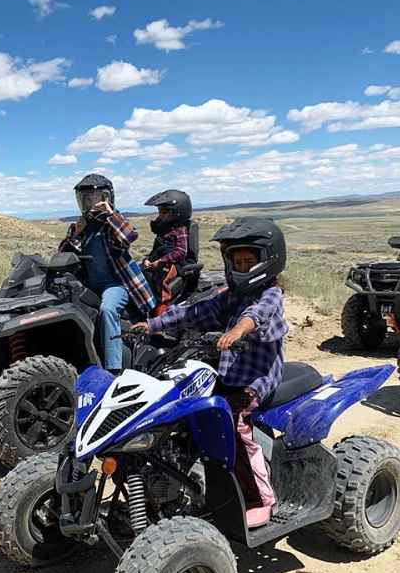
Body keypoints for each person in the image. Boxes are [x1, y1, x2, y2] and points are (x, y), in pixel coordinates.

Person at [134, 216, 288, 528]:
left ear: (268, 261)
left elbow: (254, 316)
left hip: (256, 379)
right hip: (227, 375)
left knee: (234, 424)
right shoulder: (230, 295)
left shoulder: (270, 294)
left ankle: (261, 498)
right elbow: (192, 312)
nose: (242, 267)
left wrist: (236, 332)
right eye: (237, 261)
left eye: (249, 261)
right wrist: (149, 325)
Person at [59, 174, 155, 375]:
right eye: (86, 198)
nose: (90, 203)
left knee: (108, 310)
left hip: (117, 285)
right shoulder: (83, 226)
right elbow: (62, 255)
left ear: (107, 197)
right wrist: (76, 233)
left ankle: (114, 370)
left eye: (95, 197)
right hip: (90, 285)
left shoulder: (112, 222)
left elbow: (129, 236)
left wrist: (111, 215)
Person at [142, 190, 191, 312]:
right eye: (160, 211)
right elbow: (156, 250)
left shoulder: (180, 229)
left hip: (173, 264)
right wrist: (148, 260)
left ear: (177, 213)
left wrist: (161, 261)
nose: (160, 215)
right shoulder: (164, 230)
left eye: (164, 212)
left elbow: (181, 251)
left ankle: (160, 310)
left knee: (159, 280)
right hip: (159, 262)